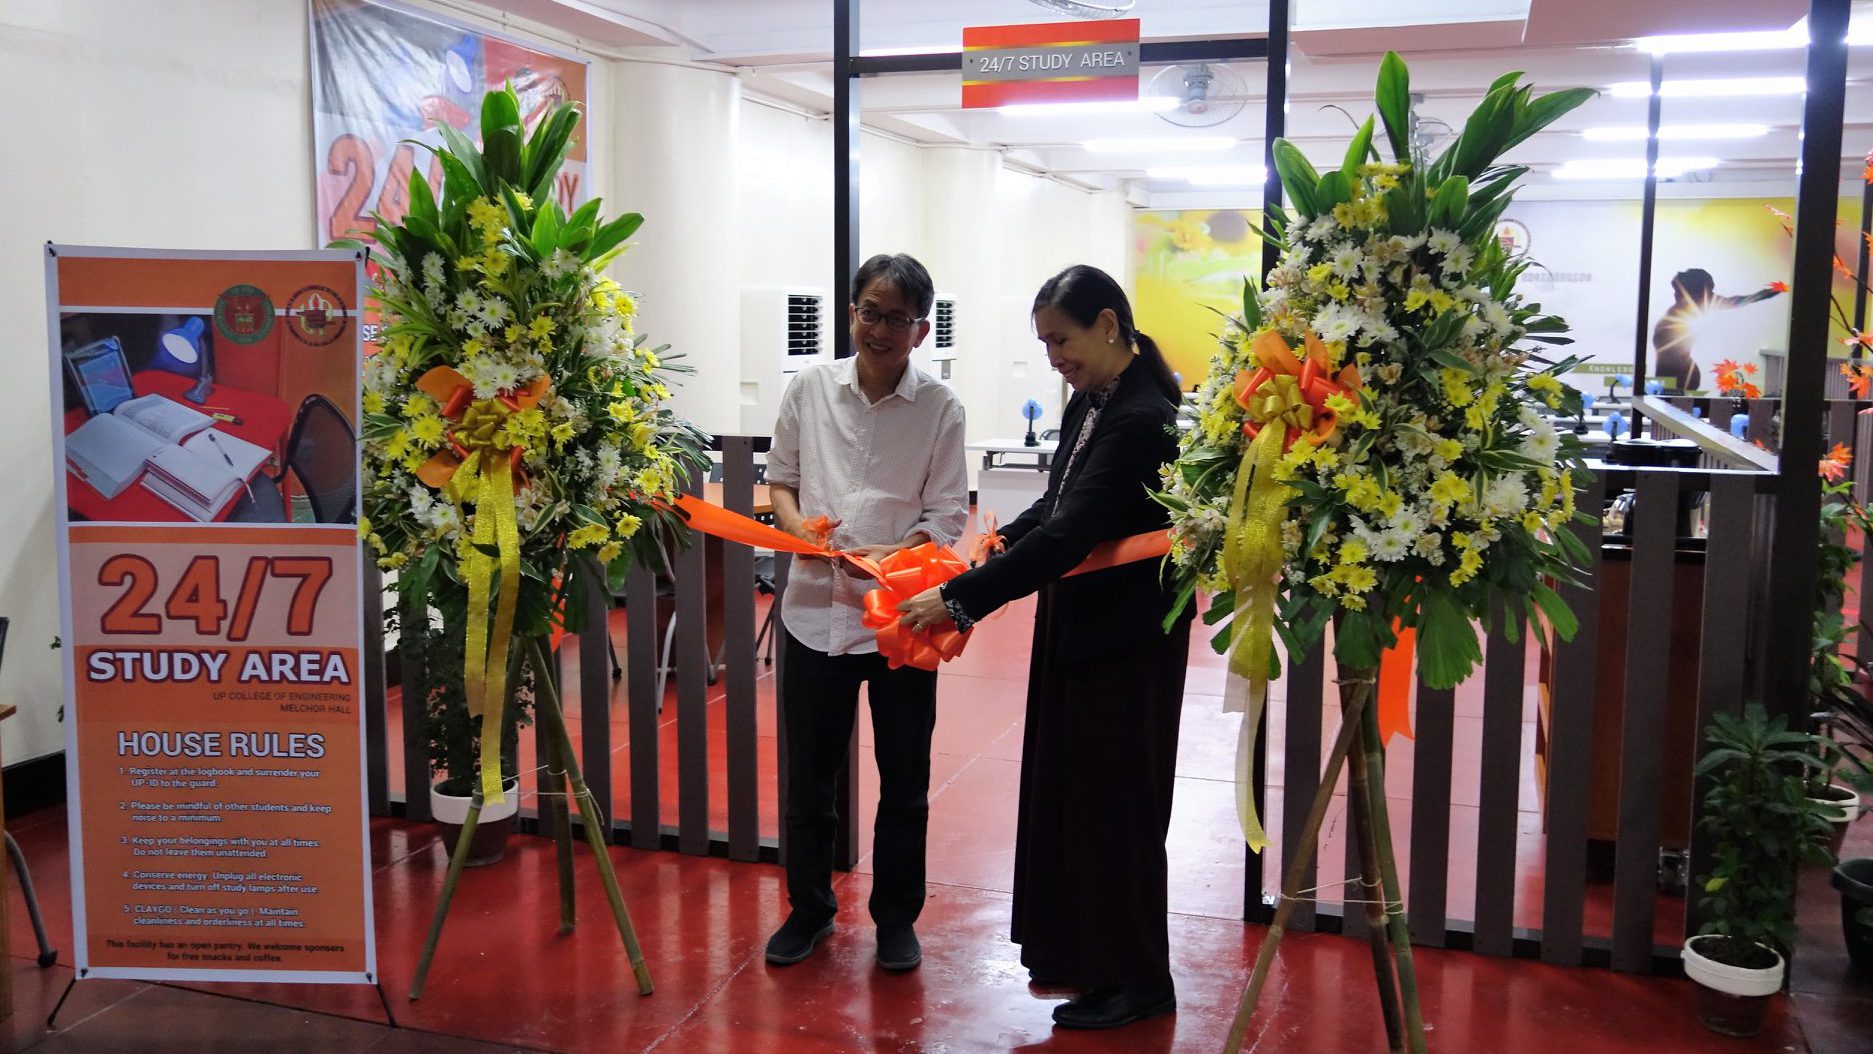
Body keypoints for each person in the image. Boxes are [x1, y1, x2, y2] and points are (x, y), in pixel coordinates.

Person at [896, 264, 1193, 1030]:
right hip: (1082, 626)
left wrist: (964, 599)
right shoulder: (1094, 402)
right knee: (1080, 800)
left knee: (1117, 807)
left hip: (1125, 640)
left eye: (1061, 340)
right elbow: (1052, 506)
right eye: (1044, 344)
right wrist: (987, 555)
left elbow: (1073, 531)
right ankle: (1092, 964)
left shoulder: (1142, 416)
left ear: (1105, 323)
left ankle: (1136, 977)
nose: (1053, 357)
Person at [763, 253, 969, 973]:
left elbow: (946, 516)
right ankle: (810, 909)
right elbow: (779, 481)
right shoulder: (809, 389)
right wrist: (794, 531)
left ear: (920, 329)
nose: (879, 329)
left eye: (896, 319)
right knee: (808, 779)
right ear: (851, 312)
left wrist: (894, 551)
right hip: (811, 613)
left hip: (898, 623)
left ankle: (895, 920)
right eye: (868, 312)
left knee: (904, 778)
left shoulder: (940, 408)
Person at [1652, 268, 1783, 391]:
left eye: (1677, 291)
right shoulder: (1682, 311)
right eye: (1676, 291)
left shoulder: (1699, 304)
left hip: (1680, 375)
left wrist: (1772, 291)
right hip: (1672, 374)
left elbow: (1739, 300)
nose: (1675, 295)